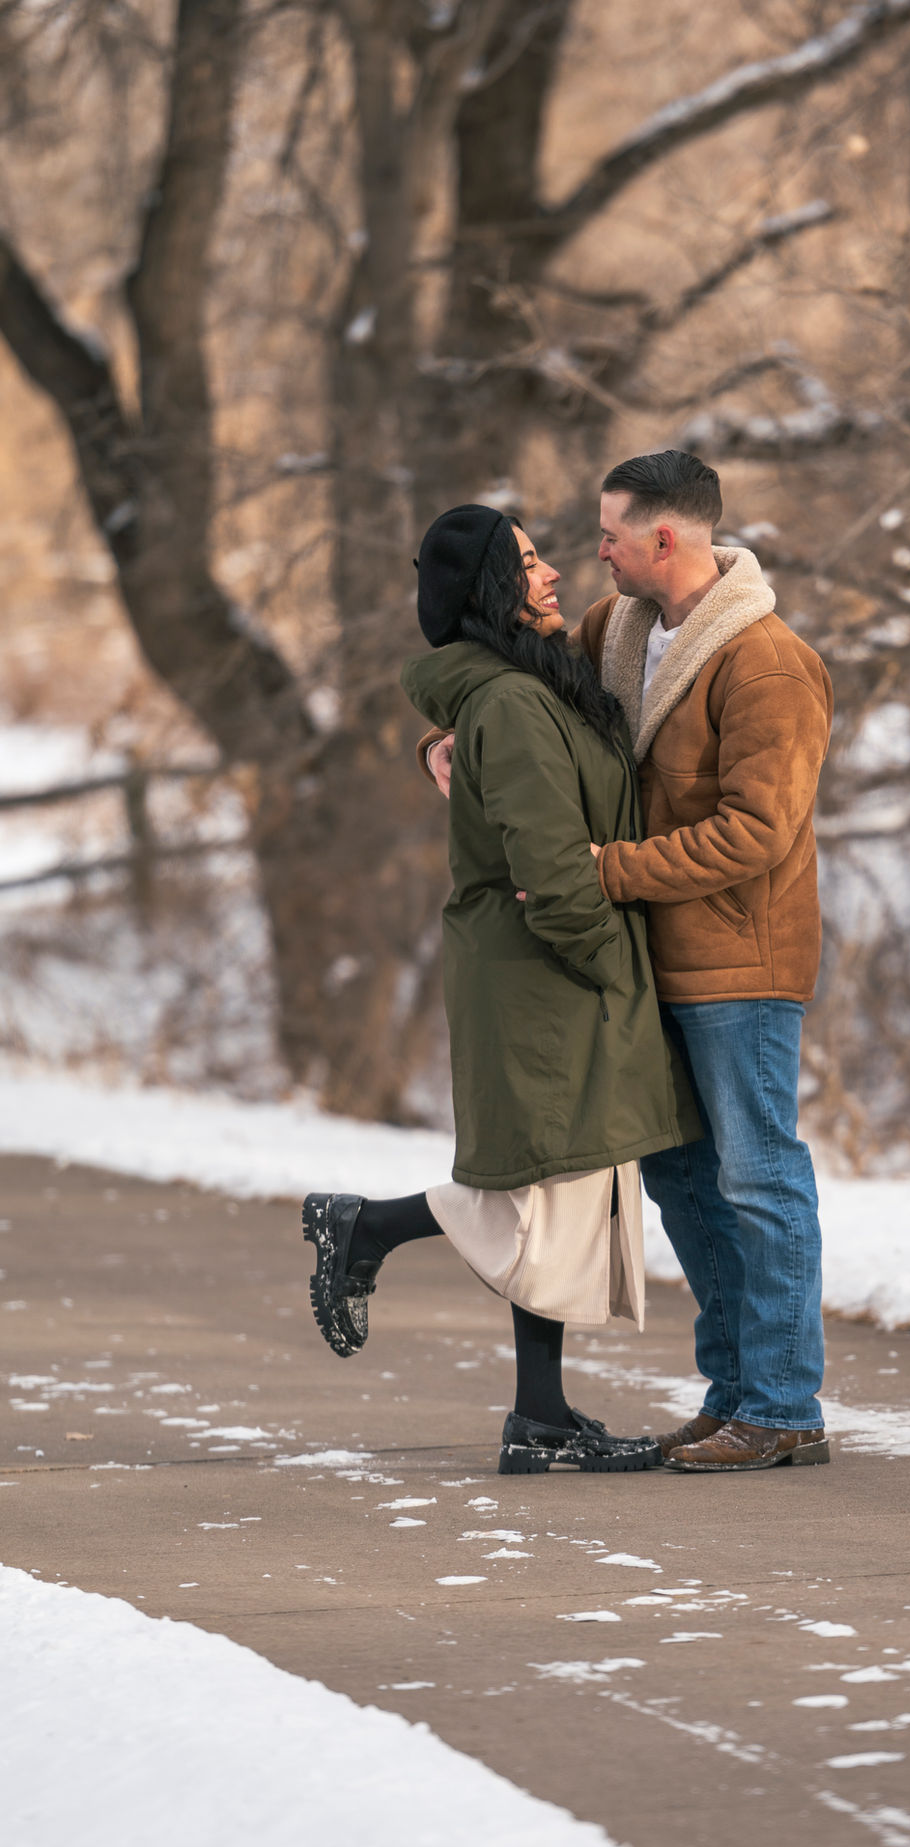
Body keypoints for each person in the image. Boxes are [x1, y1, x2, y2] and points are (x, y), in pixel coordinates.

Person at [423, 452, 833, 1473]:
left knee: (758, 1176)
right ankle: (735, 1392)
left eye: (609, 533)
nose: (591, 550)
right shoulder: (618, 631)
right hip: (656, 964)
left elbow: (757, 833)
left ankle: (786, 1409)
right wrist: (438, 738)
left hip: (741, 963)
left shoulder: (766, 664)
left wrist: (604, 871)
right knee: (686, 1184)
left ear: (665, 539)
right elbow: (516, 690)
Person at [303, 504, 699, 1476]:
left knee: (551, 1183)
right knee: (542, 1189)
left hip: (541, 967)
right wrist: (617, 972)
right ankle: (372, 1231)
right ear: (489, 591)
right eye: (527, 565)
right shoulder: (515, 706)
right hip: (544, 971)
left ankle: (539, 1412)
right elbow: (554, 876)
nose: (552, 575)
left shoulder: (520, 690)